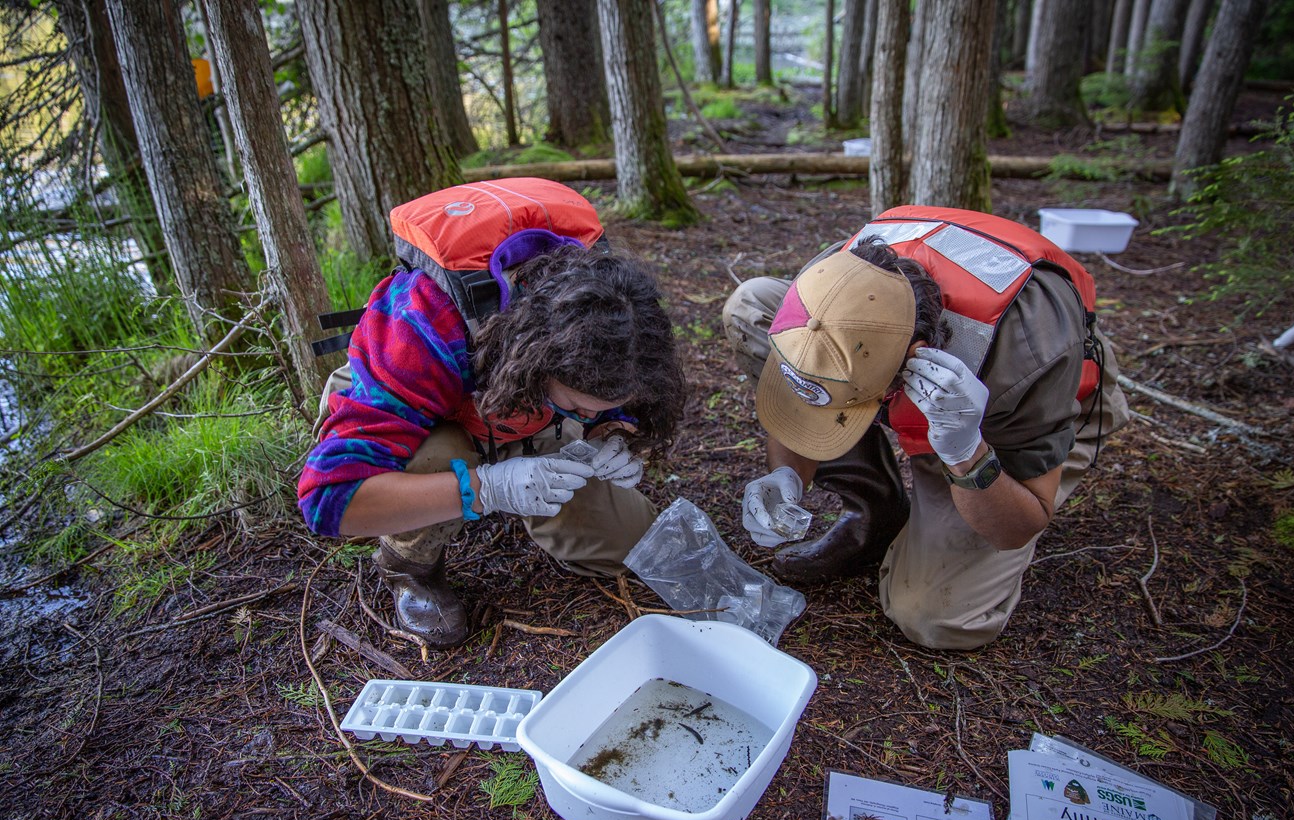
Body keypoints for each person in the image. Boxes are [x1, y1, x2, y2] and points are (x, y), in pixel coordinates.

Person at [723, 207, 1129, 650]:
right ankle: (875, 511)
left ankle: (931, 509)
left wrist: (964, 451)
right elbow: (810, 386)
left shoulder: (1028, 355)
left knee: (934, 614)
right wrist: (787, 476)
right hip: (934, 375)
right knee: (752, 305)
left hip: (1011, 405)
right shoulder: (829, 282)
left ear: (917, 357)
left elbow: (1017, 525)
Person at [299, 241, 684, 649]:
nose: (588, 414)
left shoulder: (612, 319)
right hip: (429, 416)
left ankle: (530, 465)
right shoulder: (423, 329)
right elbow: (328, 498)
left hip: (529, 415)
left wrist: (612, 433)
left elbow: (604, 402)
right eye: (578, 406)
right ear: (537, 359)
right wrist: (489, 488)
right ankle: (407, 562)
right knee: (437, 458)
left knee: (630, 540)